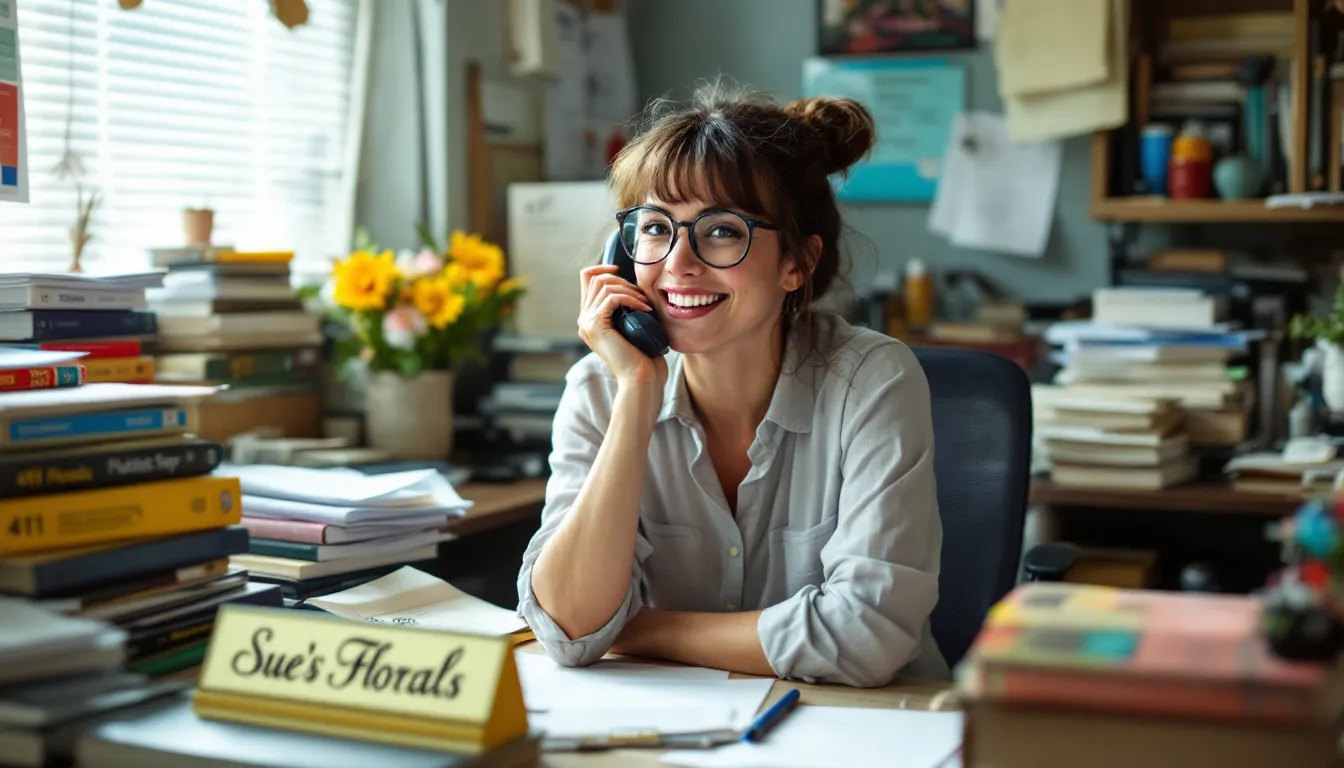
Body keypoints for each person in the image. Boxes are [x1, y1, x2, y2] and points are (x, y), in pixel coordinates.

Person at [515, 81, 948, 687]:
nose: (677, 264)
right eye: (655, 227)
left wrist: (636, 628)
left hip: (861, 728)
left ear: (797, 263)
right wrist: (638, 392)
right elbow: (567, 626)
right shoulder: (600, 388)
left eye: (721, 230)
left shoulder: (869, 380)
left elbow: (866, 635)